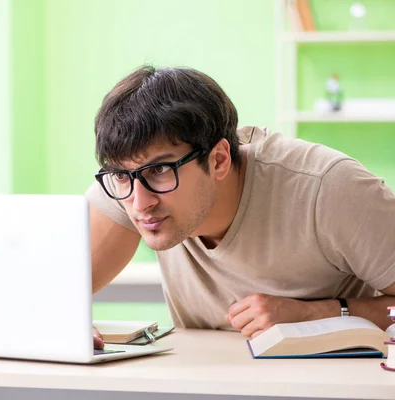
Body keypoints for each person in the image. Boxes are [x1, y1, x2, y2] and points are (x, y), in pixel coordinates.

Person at [86, 65, 395, 348]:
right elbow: (52, 291)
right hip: (210, 386)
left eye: (160, 170)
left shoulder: (328, 187)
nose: (140, 204)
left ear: (219, 159)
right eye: (121, 175)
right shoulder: (124, 186)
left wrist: (317, 314)